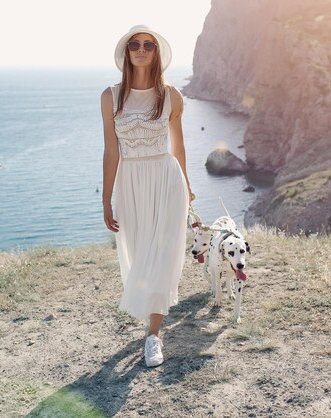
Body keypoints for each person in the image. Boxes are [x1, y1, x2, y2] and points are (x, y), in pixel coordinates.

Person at [101, 25, 193, 367]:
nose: (141, 49)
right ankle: (151, 323)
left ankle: (154, 336)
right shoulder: (110, 97)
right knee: (141, 253)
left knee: (161, 255)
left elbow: (179, 146)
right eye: (134, 44)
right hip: (131, 183)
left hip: (166, 180)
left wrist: (189, 185)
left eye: (148, 44)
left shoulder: (172, 96)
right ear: (126, 52)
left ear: (156, 52)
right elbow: (111, 152)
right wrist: (105, 198)